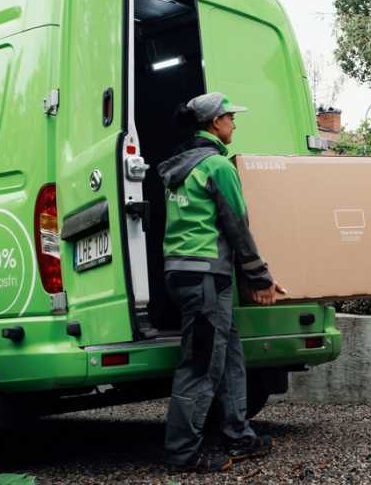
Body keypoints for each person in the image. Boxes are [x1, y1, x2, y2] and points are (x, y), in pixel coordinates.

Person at [158, 91, 286, 473]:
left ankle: (238, 436)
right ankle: (182, 454)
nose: (235, 122)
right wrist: (260, 278)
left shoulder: (181, 167)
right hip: (205, 280)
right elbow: (237, 229)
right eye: (230, 117)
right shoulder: (217, 167)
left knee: (229, 357)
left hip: (185, 273)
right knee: (200, 366)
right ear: (215, 123)